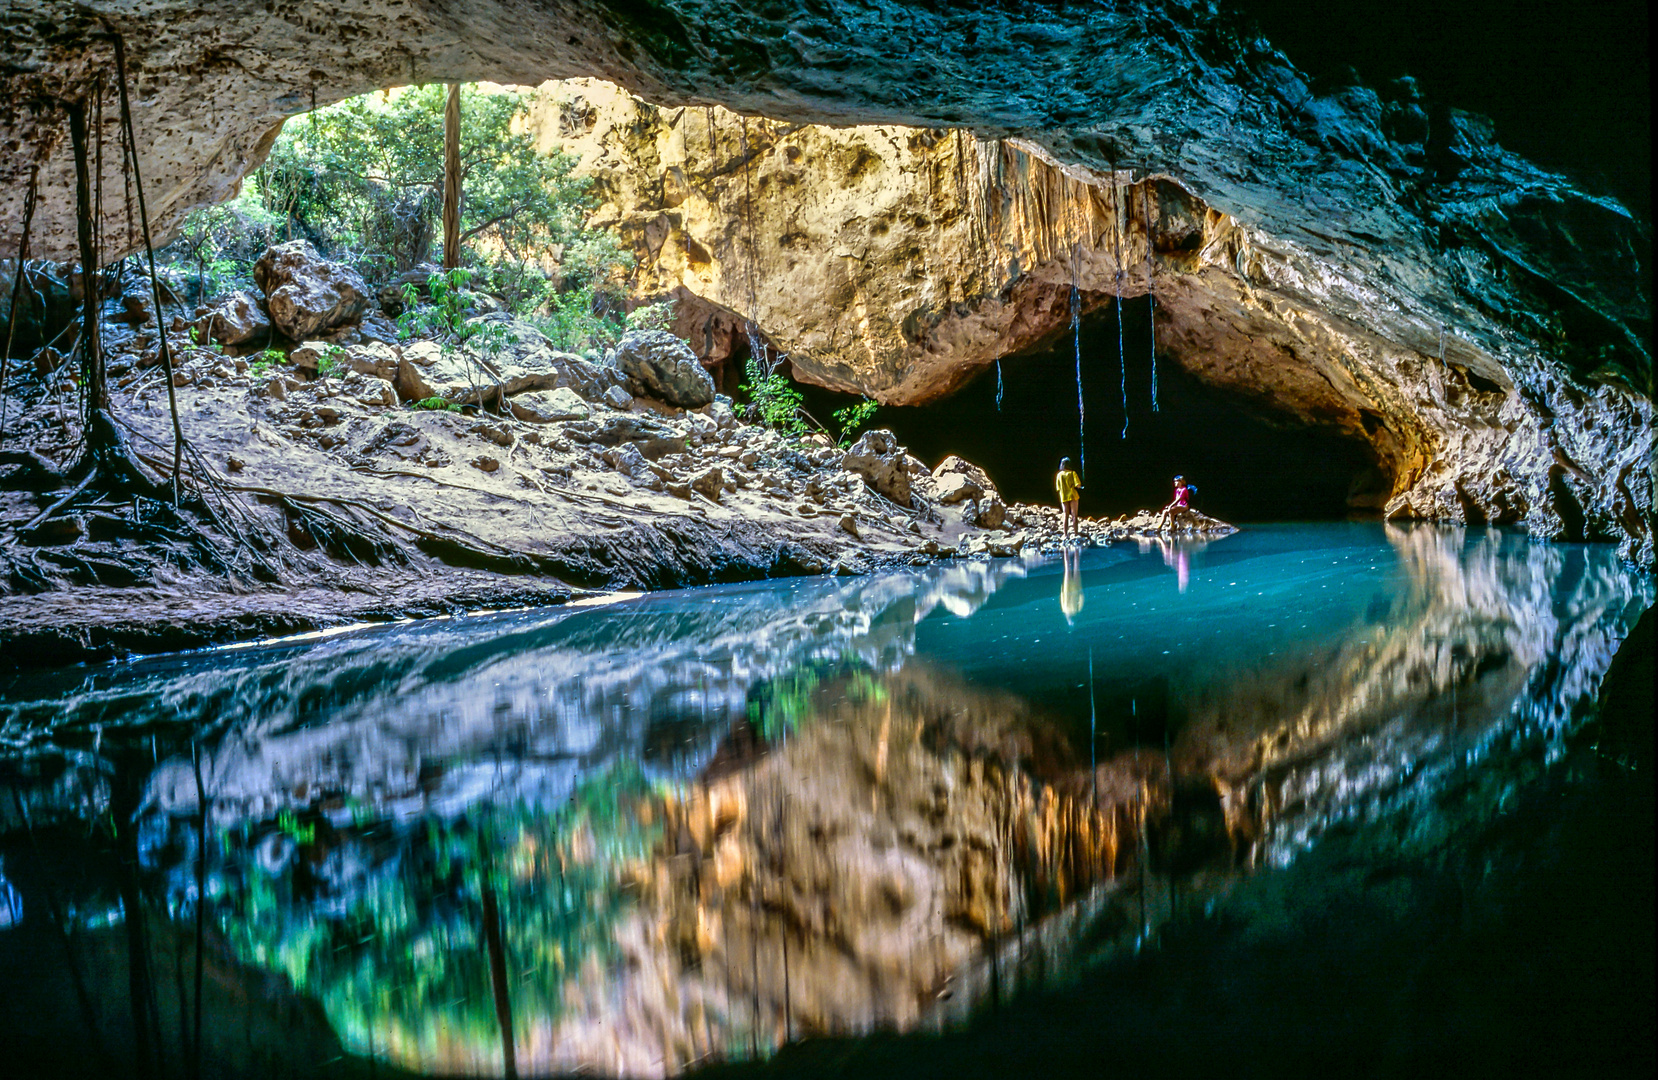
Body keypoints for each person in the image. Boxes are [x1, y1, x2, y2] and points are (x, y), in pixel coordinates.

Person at [1055, 457, 1083, 540]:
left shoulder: (1058, 475)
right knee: (1074, 515)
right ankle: (1075, 533)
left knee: (1065, 515)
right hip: (1073, 496)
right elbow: (1078, 485)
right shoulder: (1072, 473)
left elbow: (1058, 488)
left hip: (1063, 496)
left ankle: (1065, 534)